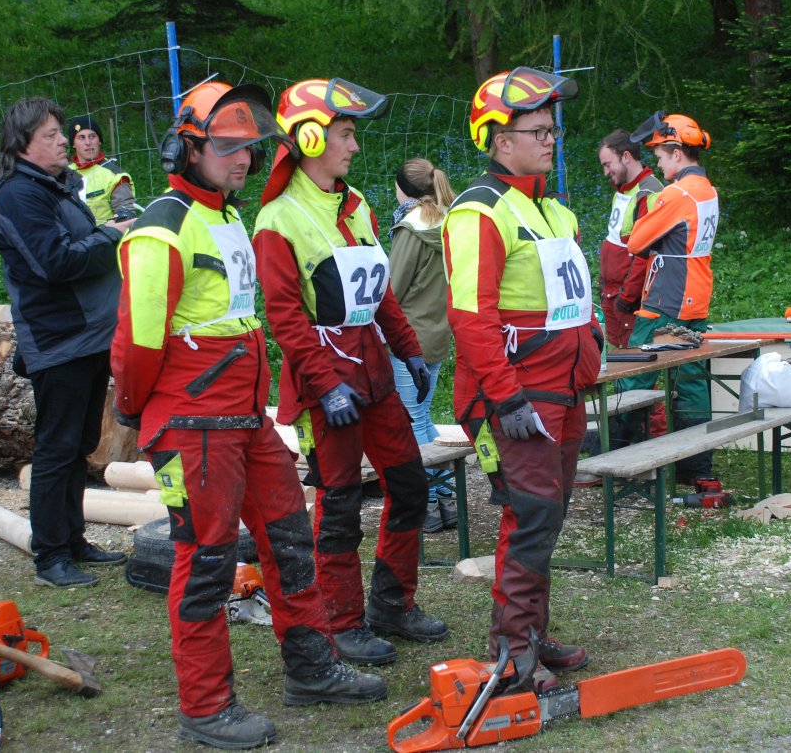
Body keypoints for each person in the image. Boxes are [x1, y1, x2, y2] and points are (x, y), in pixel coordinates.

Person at [112, 81, 385, 750]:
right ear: (189, 147)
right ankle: (205, 706)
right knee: (206, 561)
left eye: (248, 148)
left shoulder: (227, 218)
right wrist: (139, 413)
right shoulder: (162, 227)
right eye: (228, 148)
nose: (243, 160)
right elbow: (137, 344)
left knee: (290, 541)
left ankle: (311, 667)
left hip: (244, 416)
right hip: (193, 422)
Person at [254, 77, 448, 668]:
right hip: (325, 383)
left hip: (374, 371)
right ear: (310, 138)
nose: (354, 146)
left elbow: (380, 290)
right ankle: (340, 623)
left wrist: (408, 349)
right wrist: (325, 383)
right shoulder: (277, 220)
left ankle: (392, 604)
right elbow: (285, 318)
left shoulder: (356, 202)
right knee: (338, 506)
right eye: (344, 133)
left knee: (409, 487)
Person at [442, 67, 602, 674]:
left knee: (547, 515)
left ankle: (529, 634)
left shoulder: (554, 211)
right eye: (538, 131)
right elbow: (471, 317)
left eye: (552, 129)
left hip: (563, 387)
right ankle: (512, 653)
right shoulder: (479, 212)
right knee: (530, 514)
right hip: (520, 393)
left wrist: (592, 343)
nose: (550, 139)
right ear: (501, 140)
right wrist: (506, 398)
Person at [0, 97, 133, 589]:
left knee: (81, 443)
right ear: (22, 144)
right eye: (50, 135)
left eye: (60, 132)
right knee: (57, 446)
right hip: (58, 338)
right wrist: (111, 234)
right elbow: (56, 262)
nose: (64, 140)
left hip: (88, 336)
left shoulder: (56, 187)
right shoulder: (19, 195)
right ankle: (50, 555)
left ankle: (72, 540)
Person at [624, 112, 721, 489]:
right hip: (696, 295)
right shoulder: (708, 189)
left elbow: (636, 242)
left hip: (667, 298)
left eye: (661, 156)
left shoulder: (676, 194)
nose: (659, 164)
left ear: (677, 153)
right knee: (691, 379)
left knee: (633, 370)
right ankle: (696, 467)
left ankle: (620, 458)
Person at [388, 158, 457, 533]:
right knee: (423, 416)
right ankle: (446, 497)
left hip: (408, 338)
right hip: (439, 331)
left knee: (412, 421)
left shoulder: (410, 228)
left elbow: (393, 287)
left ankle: (428, 506)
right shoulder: (448, 220)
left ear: (403, 189)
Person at [597, 129, 663, 350]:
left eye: (608, 165)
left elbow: (646, 254)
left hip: (629, 302)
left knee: (633, 362)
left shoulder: (649, 193)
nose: (606, 172)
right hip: (612, 295)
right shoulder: (623, 190)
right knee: (615, 361)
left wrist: (626, 298)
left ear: (626, 156)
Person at [67, 114, 137, 224]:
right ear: (73, 144)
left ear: (99, 140)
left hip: (105, 234)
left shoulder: (115, 176)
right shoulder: (62, 172)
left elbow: (126, 216)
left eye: (92, 136)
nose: (88, 142)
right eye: (81, 137)